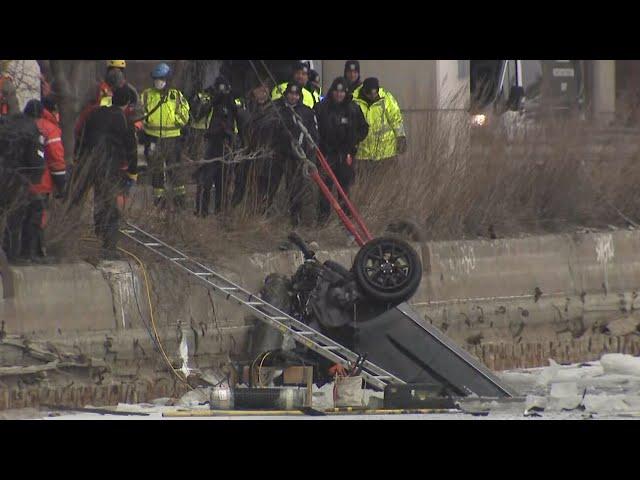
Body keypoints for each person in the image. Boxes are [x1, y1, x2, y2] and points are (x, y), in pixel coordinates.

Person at [74, 87, 138, 259]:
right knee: (109, 204)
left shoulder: (95, 113)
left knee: (77, 201)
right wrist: (132, 173)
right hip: (108, 166)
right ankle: (109, 246)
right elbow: (132, 150)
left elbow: (79, 134)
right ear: (127, 104)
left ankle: (67, 238)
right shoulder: (124, 120)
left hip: (86, 163)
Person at [314, 77, 368, 224]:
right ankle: (322, 222)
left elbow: (364, 128)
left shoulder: (353, 108)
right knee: (325, 190)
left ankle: (346, 223)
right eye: (336, 91)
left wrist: (354, 142)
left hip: (345, 156)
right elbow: (314, 129)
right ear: (332, 92)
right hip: (327, 155)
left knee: (344, 191)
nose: (339, 94)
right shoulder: (321, 108)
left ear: (346, 93)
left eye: (342, 92)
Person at [21, 97, 67, 263]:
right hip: (41, 182)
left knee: (20, 217)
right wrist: (62, 185)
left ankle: (20, 253)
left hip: (17, 182)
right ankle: (34, 254)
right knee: (37, 217)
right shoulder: (49, 129)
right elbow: (56, 158)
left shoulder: (17, 127)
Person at [140, 63, 190, 208]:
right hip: (153, 138)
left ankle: (179, 203)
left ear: (167, 79)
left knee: (174, 170)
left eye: (161, 78)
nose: (158, 81)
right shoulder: (147, 95)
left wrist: (175, 122)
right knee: (156, 171)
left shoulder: (175, 95)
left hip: (172, 139)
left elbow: (185, 113)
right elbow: (139, 113)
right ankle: (159, 204)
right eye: (156, 79)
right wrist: (146, 125)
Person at [0, 111, 46, 263]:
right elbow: (36, 160)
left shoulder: (6, 123)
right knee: (18, 215)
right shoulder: (32, 129)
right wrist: (35, 178)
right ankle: (15, 256)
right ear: (38, 117)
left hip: (3, 173)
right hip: (16, 177)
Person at [272, 82, 319, 226]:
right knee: (282, 187)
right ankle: (280, 217)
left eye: (296, 94)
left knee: (300, 188)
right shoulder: (278, 110)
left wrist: (309, 150)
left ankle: (299, 218)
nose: (293, 97)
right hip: (282, 155)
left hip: (301, 157)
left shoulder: (307, 112)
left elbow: (314, 133)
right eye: (290, 94)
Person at [194, 76, 240, 217]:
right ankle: (202, 212)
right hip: (209, 143)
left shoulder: (233, 101)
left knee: (223, 181)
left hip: (227, 144)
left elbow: (241, 119)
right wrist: (213, 100)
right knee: (205, 180)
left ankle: (221, 212)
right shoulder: (209, 99)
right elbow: (197, 115)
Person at [352, 77, 407, 176]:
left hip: (386, 153)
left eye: (375, 93)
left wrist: (401, 136)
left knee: (388, 186)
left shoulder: (386, 98)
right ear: (364, 91)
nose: (373, 96)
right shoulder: (354, 101)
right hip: (363, 154)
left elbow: (396, 119)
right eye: (370, 94)